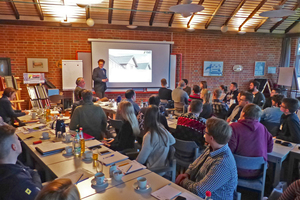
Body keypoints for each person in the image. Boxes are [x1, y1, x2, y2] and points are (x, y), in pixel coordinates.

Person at [175, 118, 237, 200]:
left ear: (211, 138)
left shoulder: (223, 163)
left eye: (205, 132)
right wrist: (187, 174)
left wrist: (183, 181)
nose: (204, 134)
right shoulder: (213, 146)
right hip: (196, 191)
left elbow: (200, 191)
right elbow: (196, 164)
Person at [229, 104, 273, 178]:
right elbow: (269, 149)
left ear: (243, 113)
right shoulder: (263, 128)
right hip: (259, 172)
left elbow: (229, 150)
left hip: (235, 170)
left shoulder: (233, 127)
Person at [0, 125, 42, 200]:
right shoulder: (19, 183)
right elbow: (39, 196)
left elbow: (31, 172)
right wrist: (36, 186)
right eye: (17, 139)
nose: (19, 141)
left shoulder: (12, 163)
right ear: (14, 147)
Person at [136, 106, 175, 170]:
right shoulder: (162, 129)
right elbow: (173, 141)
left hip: (152, 170)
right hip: (163, 168)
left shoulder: (149, 136)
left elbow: (141, 160)